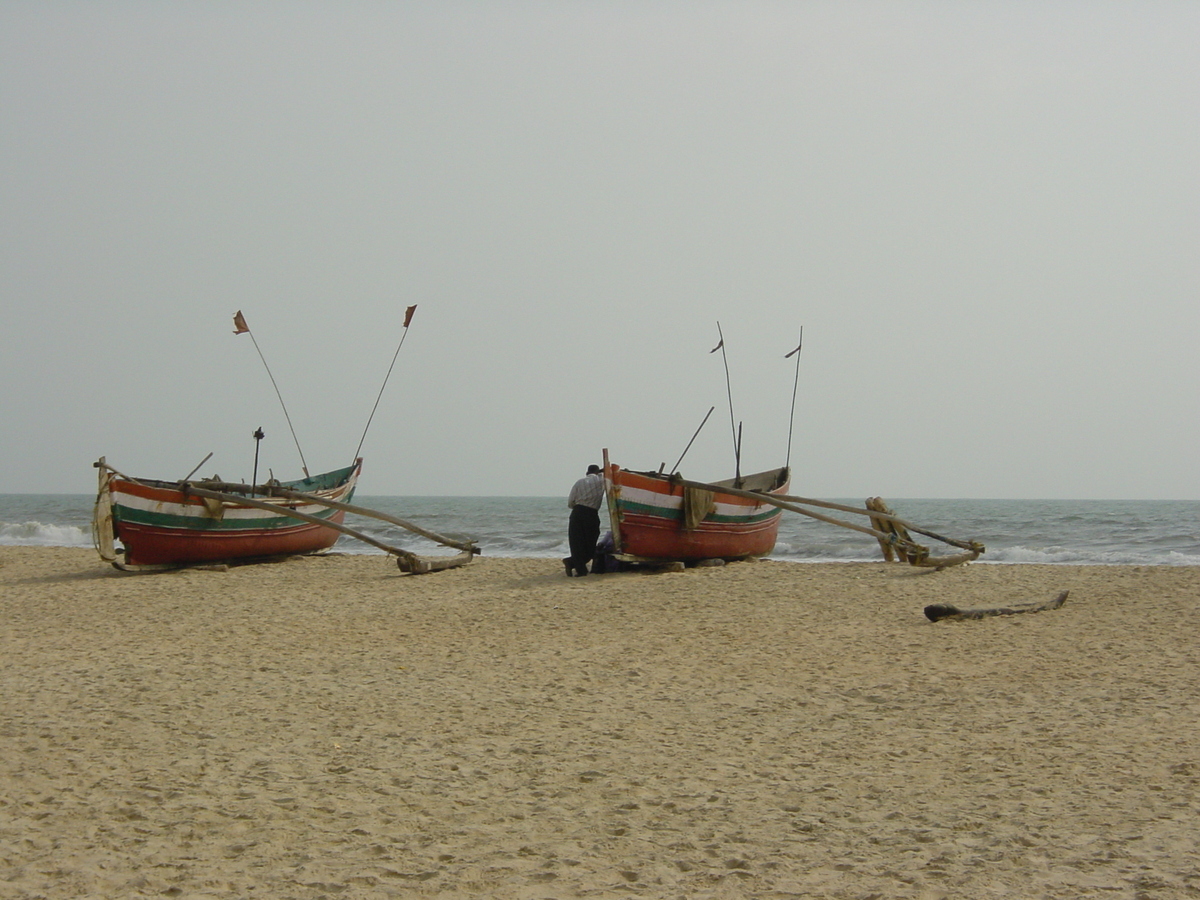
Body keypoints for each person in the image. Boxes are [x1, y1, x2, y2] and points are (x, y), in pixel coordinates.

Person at [563, 464, 604, 576]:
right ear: (597, 471)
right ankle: (573, 563)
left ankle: (578, 567)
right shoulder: (601, 481)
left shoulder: (579, 482)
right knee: (591, 542)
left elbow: (571, 502)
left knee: (577, 543)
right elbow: (605, 474)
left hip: (577, 512)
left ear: (587, 472)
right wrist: (601, 471)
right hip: (591, 513)